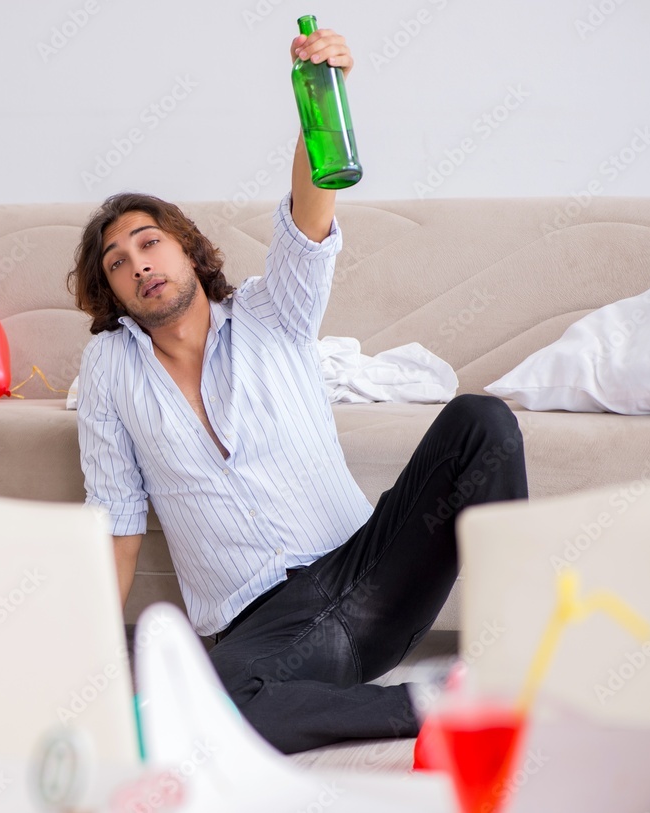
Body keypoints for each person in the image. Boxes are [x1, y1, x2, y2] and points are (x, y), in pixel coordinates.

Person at [67, 28, 528, 755]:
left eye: (150, 241)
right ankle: (437, 704)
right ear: (114, 294)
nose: (139, 264)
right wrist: (84, 663)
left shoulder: (269, 311)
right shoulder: (111, 371)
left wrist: (318, 92)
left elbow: (308, 218)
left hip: (369, 573)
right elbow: (119, 524)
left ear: (186, 247)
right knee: (212, 718)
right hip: (265, 631)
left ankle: (520, 660)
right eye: (118, 262)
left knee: (481, 421)